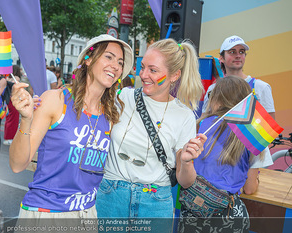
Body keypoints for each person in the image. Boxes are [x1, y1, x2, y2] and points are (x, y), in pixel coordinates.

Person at [9, 34, 133, 224]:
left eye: (120, 62)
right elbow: (18, 165)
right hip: (47, 213)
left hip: (87, 215)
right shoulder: (55, 100)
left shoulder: (110, 117)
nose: (115, 65)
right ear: (88, 60)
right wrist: (25, 119)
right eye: (108, 57)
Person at [95, 38, 205, 226]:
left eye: (153, 70)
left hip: (154, 203)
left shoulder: (184, 116)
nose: (144, 75)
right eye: (142, 66)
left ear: (174, 75)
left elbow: (185, 182)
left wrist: (186, 162)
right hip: (111, 196)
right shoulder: (122, 97)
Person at [177, 76, 273, 233]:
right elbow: (249, 188)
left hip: (194, 207)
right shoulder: (253, 134)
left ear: (217, 99)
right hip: (228, 216)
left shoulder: (200, 126)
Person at [202, 35, 275, 119]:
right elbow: (204, 122)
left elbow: (270, 128)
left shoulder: (261, 87)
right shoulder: (213, 89)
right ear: (221, 58)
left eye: (241, 52)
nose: (238, 55)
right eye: (232, 52)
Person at [3, 65, 21, 146]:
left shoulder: (6, 79)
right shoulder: (16, 78)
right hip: (14, 99)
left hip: (7, 100)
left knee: (8, 118)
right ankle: (11, 137)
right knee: (14, 119)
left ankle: (7, 137)